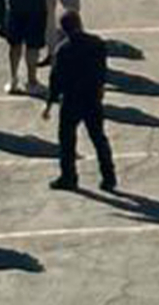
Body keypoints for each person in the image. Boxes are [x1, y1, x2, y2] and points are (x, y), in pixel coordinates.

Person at [42, 11, 116, 191]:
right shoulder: (97, 43)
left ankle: (69, 176)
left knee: (67, 140)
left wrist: (49, 103)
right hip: (92, 97)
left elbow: (56, 79)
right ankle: (109, 176)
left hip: (71, 99)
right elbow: (102, 70)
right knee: (98, 137)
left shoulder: (63, 50)